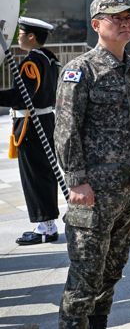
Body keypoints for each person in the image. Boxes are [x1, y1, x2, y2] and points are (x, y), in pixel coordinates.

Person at [55, 0, 130, 329]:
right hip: (92, 195)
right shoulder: (80, 71)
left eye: (129, 17)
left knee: (112, 273)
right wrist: (76, 180)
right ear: (96, 25)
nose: (125, 22)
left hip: (127, 193)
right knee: (85, 279)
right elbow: (65, 128)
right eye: (116, 18)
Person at [0, 17, 60, 245]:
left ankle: (45, 227)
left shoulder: (32, 62)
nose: (18, 37)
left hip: (32, 126)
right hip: (44, 121)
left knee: (35, 177)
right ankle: (47, 223)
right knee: (44, 175)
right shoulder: (48, 59)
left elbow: (21, 96)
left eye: (21, 33)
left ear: (31, 36)